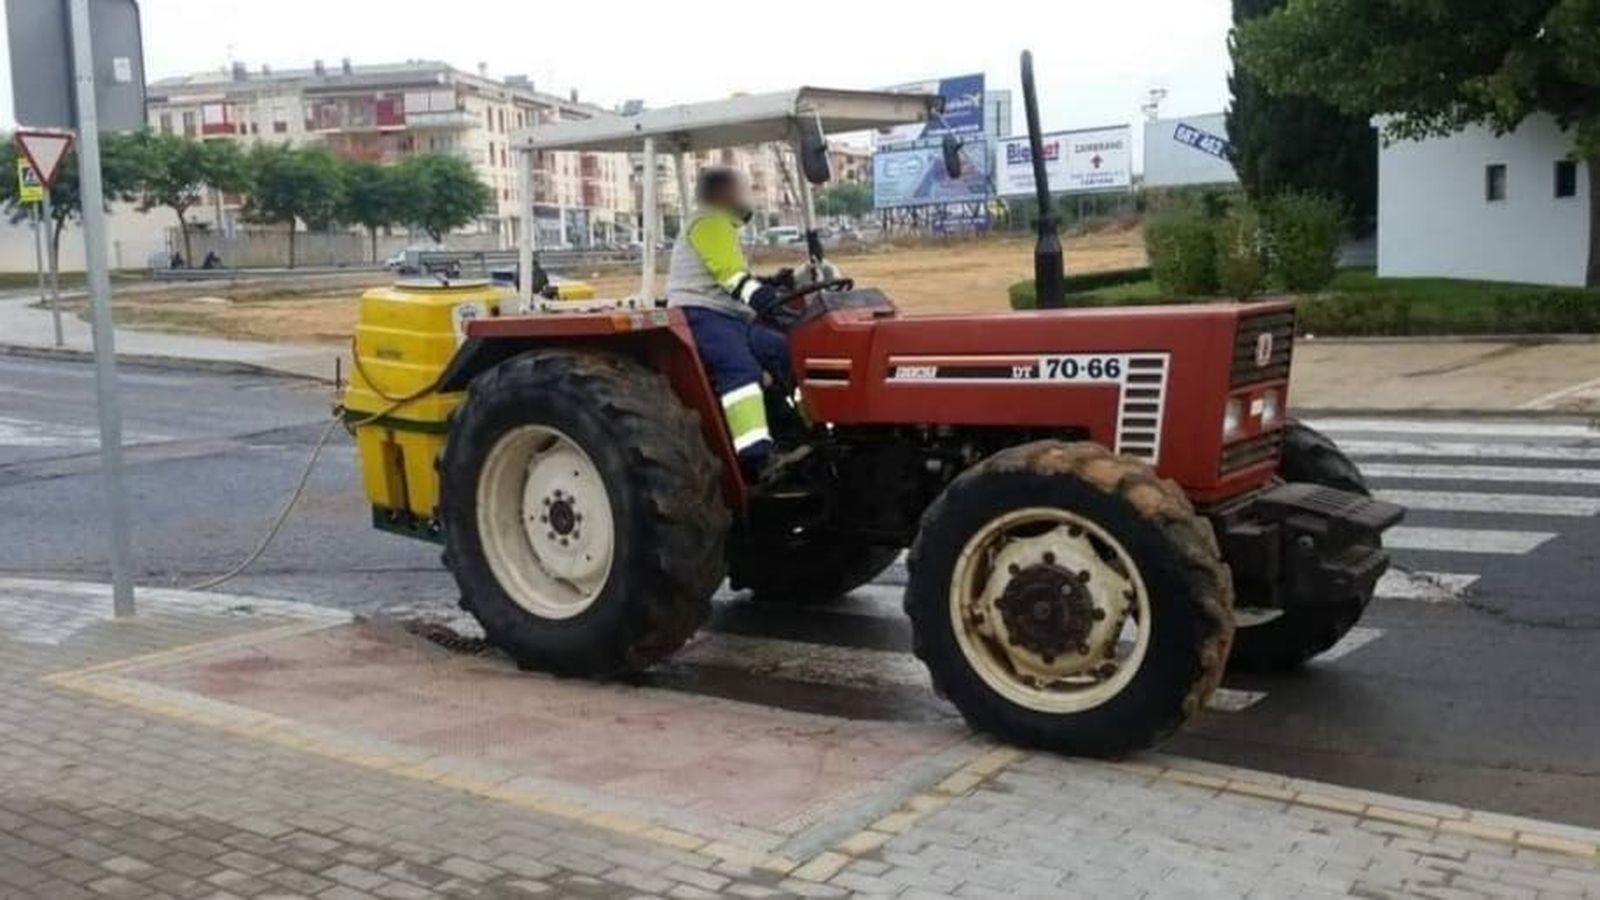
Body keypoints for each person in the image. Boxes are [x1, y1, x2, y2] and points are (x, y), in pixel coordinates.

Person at [666, 167, 797, 480]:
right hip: (702, 312)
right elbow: (731, 277)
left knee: (783, 349)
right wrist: (762, 296)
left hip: (729, 314)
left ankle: (798, 429)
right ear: (723, 195)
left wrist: (771, 284)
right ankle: (757, 458)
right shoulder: (709, 222)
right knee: (740, 368)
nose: (747, 197)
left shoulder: (721, 226)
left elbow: (729, 274)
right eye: (742, 191)